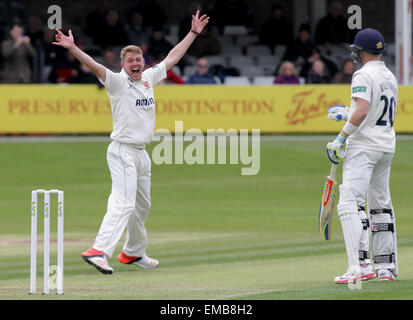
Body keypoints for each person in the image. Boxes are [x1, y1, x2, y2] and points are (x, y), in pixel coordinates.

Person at [52, 10, 210, 274]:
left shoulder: (148, 78)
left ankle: (133, 253)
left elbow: (172, 57)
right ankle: (98, 250)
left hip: (141, 153)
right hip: (122, 151)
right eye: (130, 61)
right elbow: (94, 65)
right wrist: (73, 48)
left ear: (142, 62)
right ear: (123, 65)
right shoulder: (115, 82)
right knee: (123, 203)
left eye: (139, 59)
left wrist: (193, 33)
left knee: (141, 206)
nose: (135, 63)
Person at [326, 28, 398, 283]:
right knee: (380, 204)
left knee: (349, 203)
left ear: (360, 52)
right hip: (385, 146)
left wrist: (340, 137)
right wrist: (348, 112)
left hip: (364, 146)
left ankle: (358, 267)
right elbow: (371, 112)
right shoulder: (389, 76)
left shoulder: (362, 74)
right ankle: (384, 267)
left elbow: (363, 111)